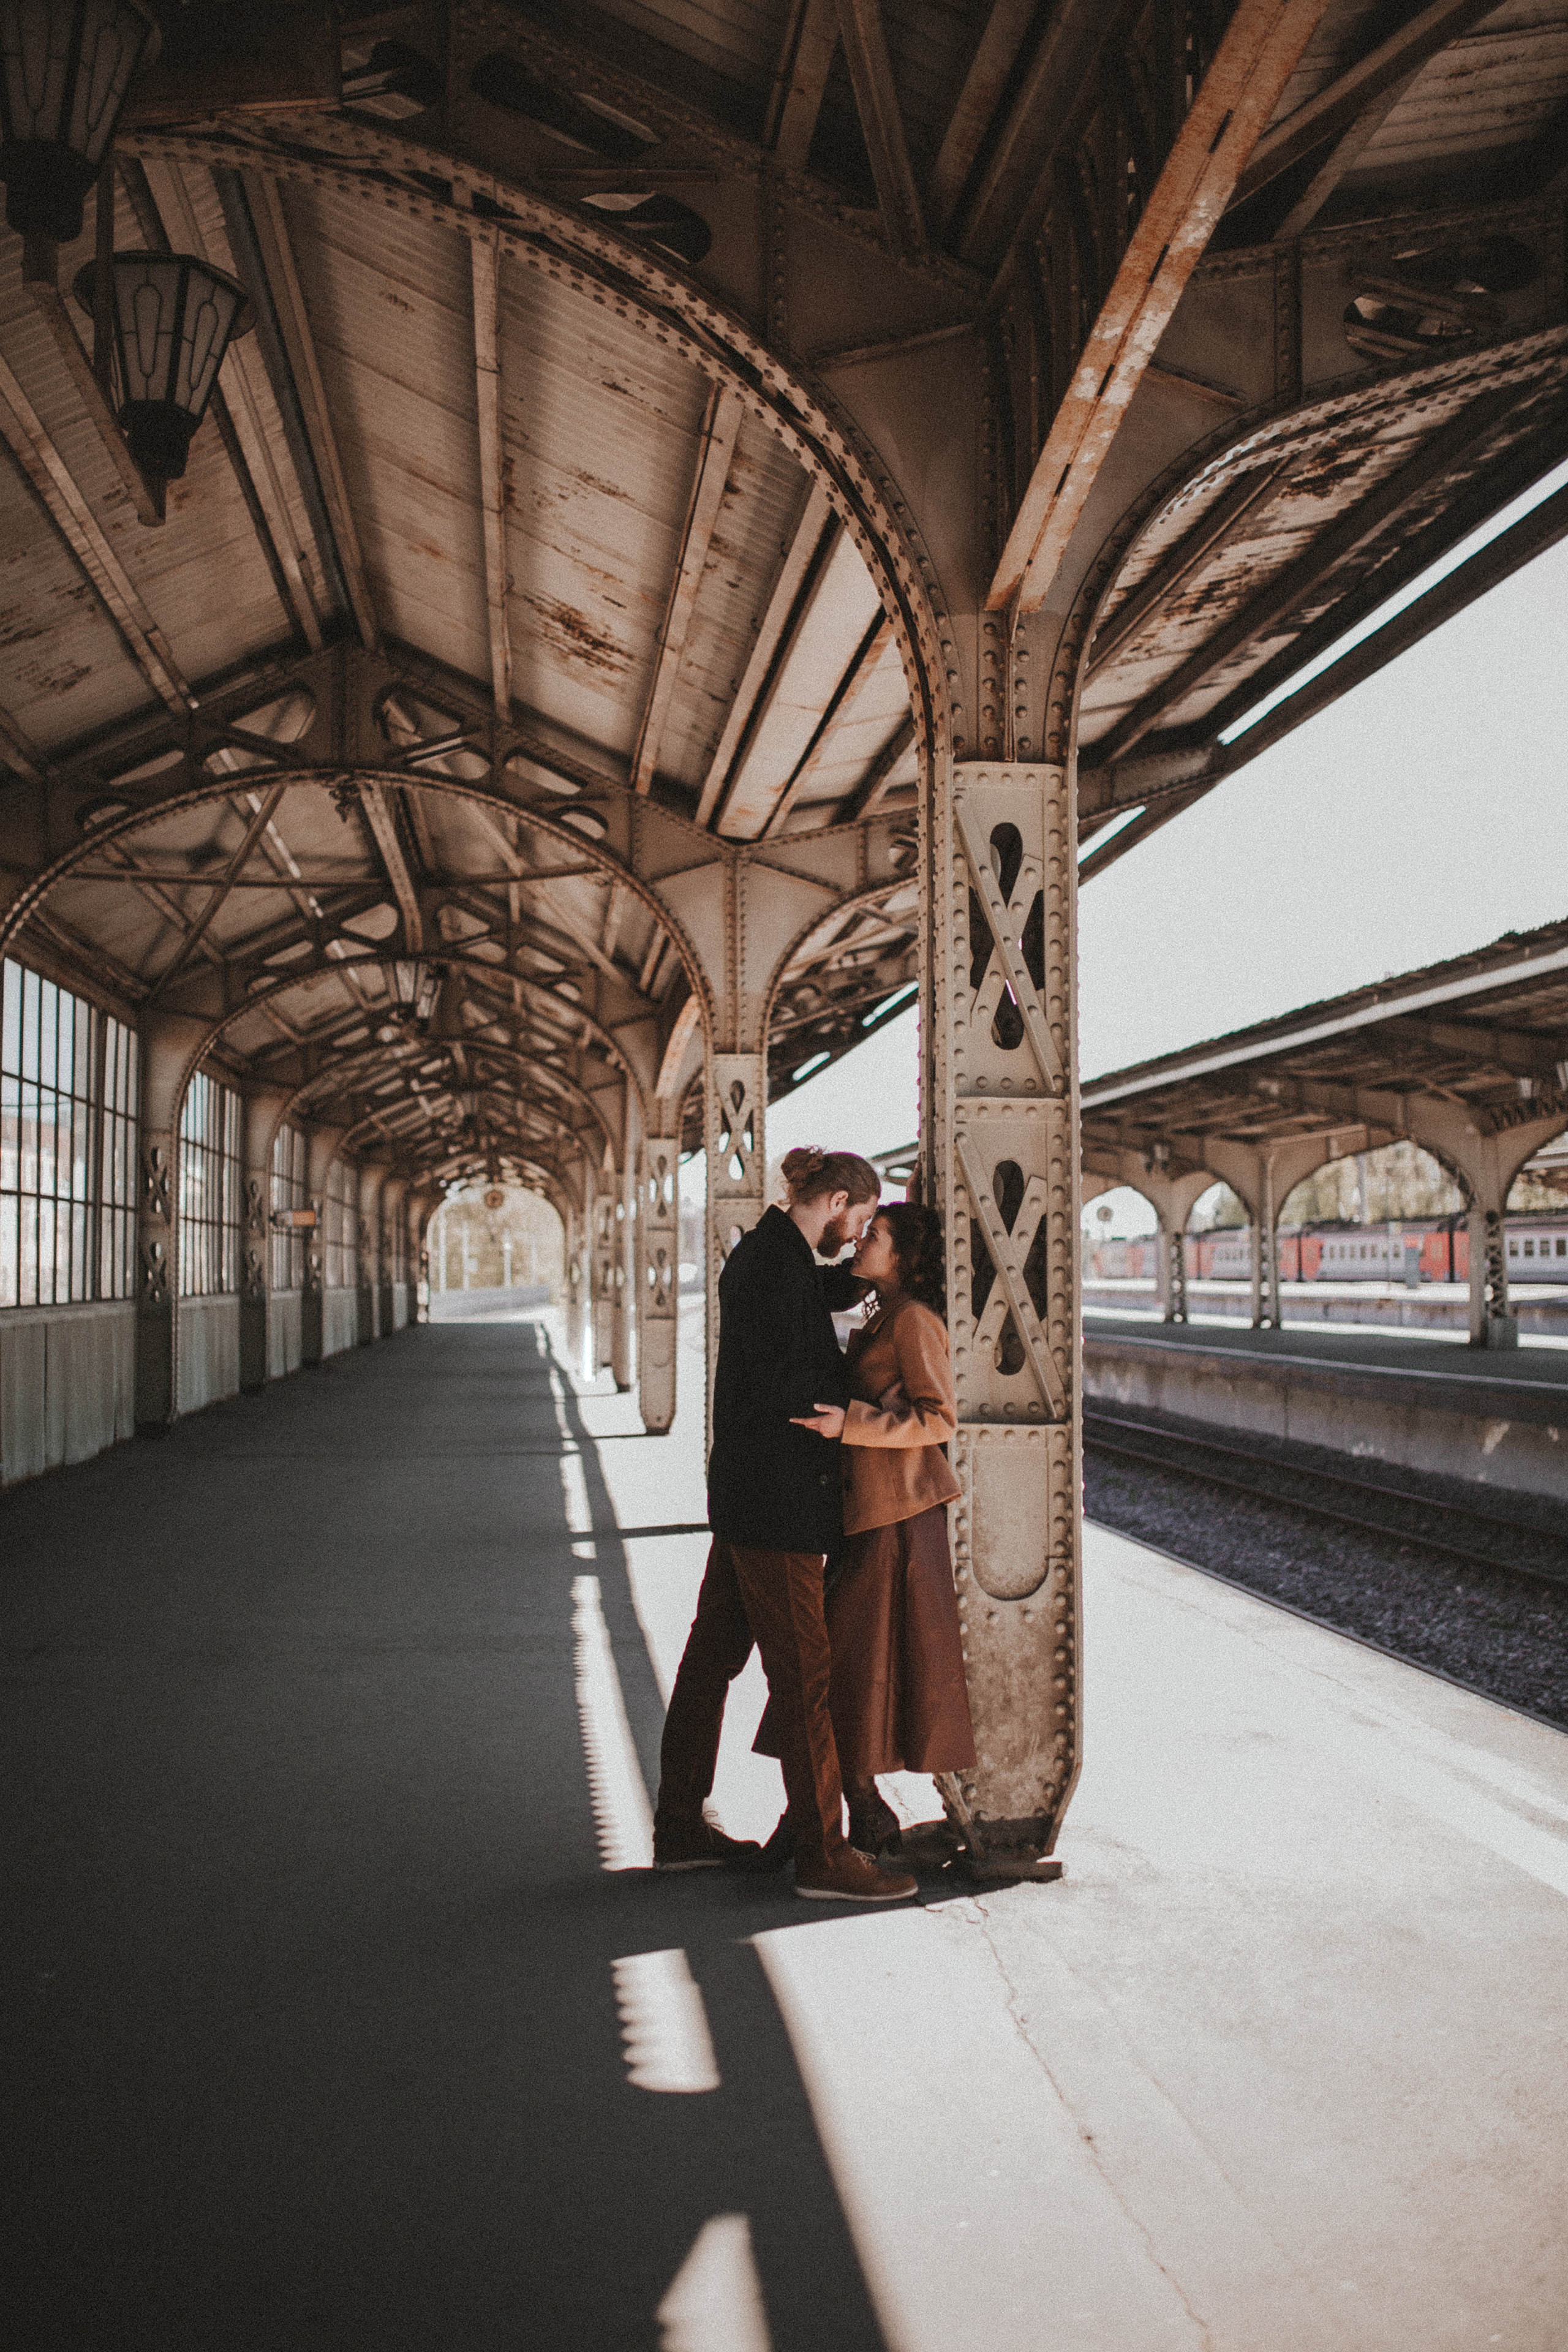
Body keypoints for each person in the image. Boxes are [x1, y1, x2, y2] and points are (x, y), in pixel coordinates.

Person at [652, 1148, 920, 1902]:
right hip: (778, 1508)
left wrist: (878, 1277)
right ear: (835, 1200)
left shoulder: (778, 1256)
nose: (859, 1234)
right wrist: (861, 1385)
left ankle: (678, 1829)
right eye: (860, 1219)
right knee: (804, 1679)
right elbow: (792, 1383)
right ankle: (822, 1857)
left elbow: (817, 1291)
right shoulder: (775, 1266)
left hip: (748, 1500)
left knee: (711, 1664)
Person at [774, 1201, 975, 1858]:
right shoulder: (882, 1313)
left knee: (844, 1665)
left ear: (906, 1256)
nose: (861, 1240)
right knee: (845, 1667)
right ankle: (848, 1811)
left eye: (877, 1235)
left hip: (897, 1518)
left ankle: (841, 1813)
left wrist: (851, 1422)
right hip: (871, 1514)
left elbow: (939, 1419)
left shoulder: (913, 1320)